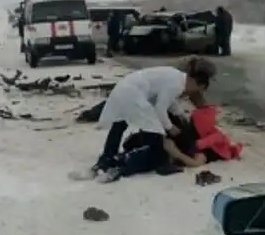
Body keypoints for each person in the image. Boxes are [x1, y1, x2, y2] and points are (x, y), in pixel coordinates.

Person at [86, 57, 216, 181]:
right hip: (134, 95)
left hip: (124, 88)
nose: (193, 93)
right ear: (198, 84)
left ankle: (105, 159)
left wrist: (180, 113)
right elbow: (160, 108)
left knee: (119, 125)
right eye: (198, 90)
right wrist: (170, 127)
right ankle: (126, 166)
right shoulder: (177, 85)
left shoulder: (176, 76)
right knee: (156, 135)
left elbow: (167, 100)